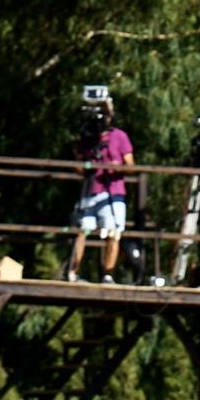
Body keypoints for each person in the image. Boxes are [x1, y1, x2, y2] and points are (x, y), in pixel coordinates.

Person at [65, 94, 135, 285]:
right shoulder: (87, 136)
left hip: (113, 191)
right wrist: (83, 161)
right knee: (82, 230)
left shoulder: (119, 136)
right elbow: (78, 167)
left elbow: (131, 165)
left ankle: (108, 274)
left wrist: (116, 166)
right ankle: (73, 272)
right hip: (90, 190)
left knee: (113, 232)